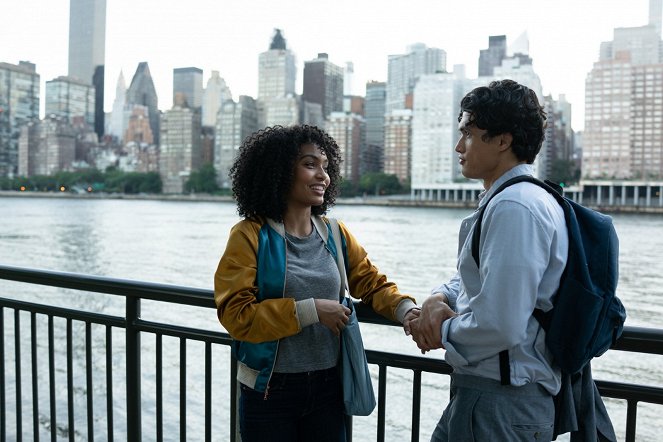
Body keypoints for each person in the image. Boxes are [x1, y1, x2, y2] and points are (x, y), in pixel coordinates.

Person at [214, 124, 419, 442]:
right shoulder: (248, 235)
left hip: (328, 389)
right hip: (270, 392)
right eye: (310, 165)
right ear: (280, 171)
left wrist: (407, 310)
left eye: (326, 167)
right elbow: (235, 316)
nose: (323, 176)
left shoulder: (334, 233)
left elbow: (372, 283)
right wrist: (309, 311)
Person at [409, 79, 569, 442]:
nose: (458, 146)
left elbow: (501, 324)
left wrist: (435, 329)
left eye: (468, 133)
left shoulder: (515, 207)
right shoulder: (516, 200)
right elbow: (475, 279)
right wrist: (439, 298)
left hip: (501, 404)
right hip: (485, 397)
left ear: (502, 140)